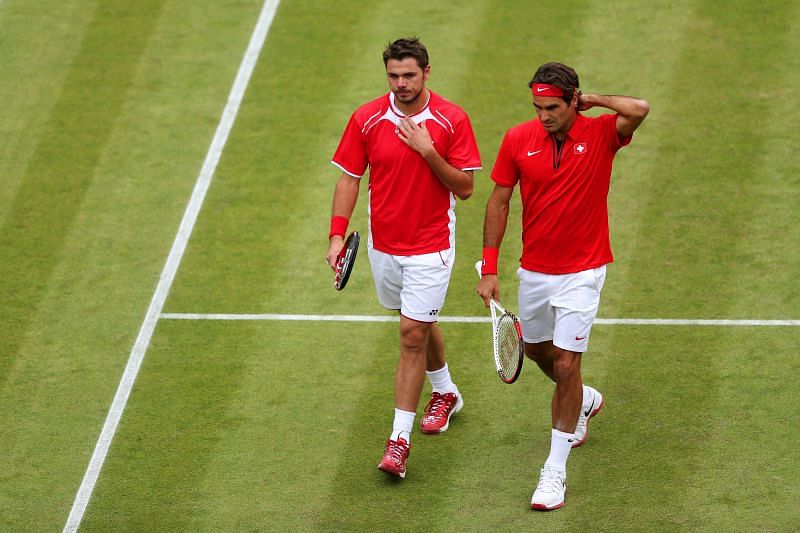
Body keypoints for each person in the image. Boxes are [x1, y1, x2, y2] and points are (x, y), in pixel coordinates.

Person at [476, 62, 648, 510]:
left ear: (574, 100)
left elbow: (640, 108)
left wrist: (594, 99)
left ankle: (554, 473)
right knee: (538, 353)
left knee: (567, 365)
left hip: (584, 270)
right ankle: (585, 401)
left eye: (552, 106)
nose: (543, 116)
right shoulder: (517, 139)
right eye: (537, 107)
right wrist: (490, 267)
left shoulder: (602, 133)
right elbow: (499, 200)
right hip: (534, 269)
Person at [325, 37, 482, 479]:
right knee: (418, 322)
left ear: (426, 73)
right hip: (383, 247)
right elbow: (350, 179)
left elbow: (466, 188)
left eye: (409, 75)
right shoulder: (367, 117)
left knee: (411, 335)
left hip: (430, 247)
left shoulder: (452, 120)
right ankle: (446, 392)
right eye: (393, 76)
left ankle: (398, 442)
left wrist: (428, 150)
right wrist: (337, 237)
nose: (401, 84)